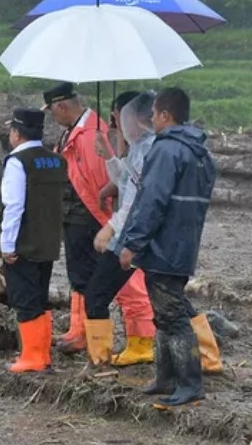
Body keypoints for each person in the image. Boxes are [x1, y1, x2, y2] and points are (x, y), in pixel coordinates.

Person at [119, 87, 217, 408]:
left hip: (163, 247)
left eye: (154, 114)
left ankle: (190, 383)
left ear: (164, 115)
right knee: (163, 314)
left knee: (173, 317)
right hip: (184, 245)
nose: (151, 120)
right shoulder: (200, 153)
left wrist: (131, 243)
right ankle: (165, 378)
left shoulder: (166, 150)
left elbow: (151, 202)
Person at [83, 92, 158, 366]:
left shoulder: (148, 149)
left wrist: (110, 229)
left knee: (97, 294)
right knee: (168, 297)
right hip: (137, 233)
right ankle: (206, 357)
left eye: (119, 116)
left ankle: (100, 362)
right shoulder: (140, 147)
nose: (117, 122)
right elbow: (125, 183)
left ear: (136, 117)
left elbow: (133, 200)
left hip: (133, 234)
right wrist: (109, 154)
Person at [41, 82, 111, 354]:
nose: (52, 118)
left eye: (52, 111)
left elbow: (98, 181)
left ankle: (89, 338)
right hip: (73, 215)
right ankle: (77, 329)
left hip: (87, 216)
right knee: (77, 274)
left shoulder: (91, 134)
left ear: (61, 106)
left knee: (88, 277)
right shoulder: (73, 131)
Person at [0, 107, 66, 373]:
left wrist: (7, 244)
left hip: (24, 242)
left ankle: (32, 357)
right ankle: (42, 355)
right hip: (48, 242)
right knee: (40, 296)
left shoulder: (17, 162)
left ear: (16, 133)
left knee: (25, 298)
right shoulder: (57, 160)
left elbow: (13, 206)